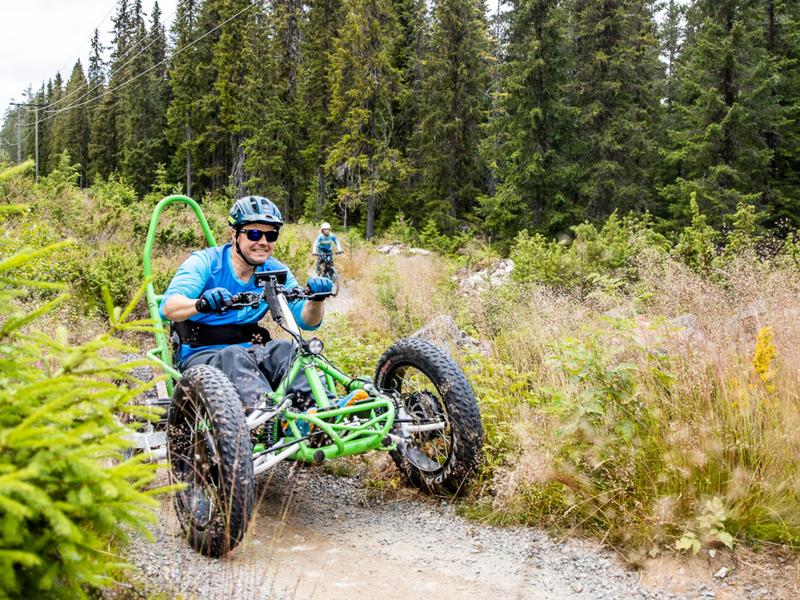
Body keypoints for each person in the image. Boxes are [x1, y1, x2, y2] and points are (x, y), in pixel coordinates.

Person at [160, 195, 333, 410]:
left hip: (251, 350)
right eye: (253, 233)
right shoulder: (205, 262)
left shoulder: (275, 271)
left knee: (286, 350)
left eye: (271, 235)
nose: (263, 242)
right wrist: (201, 304)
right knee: (233, 356)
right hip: (201, 354)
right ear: (234, 234)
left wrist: (317, 300)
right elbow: (169, 307)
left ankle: (325, 412)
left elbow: (306, 320)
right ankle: (265, 419)